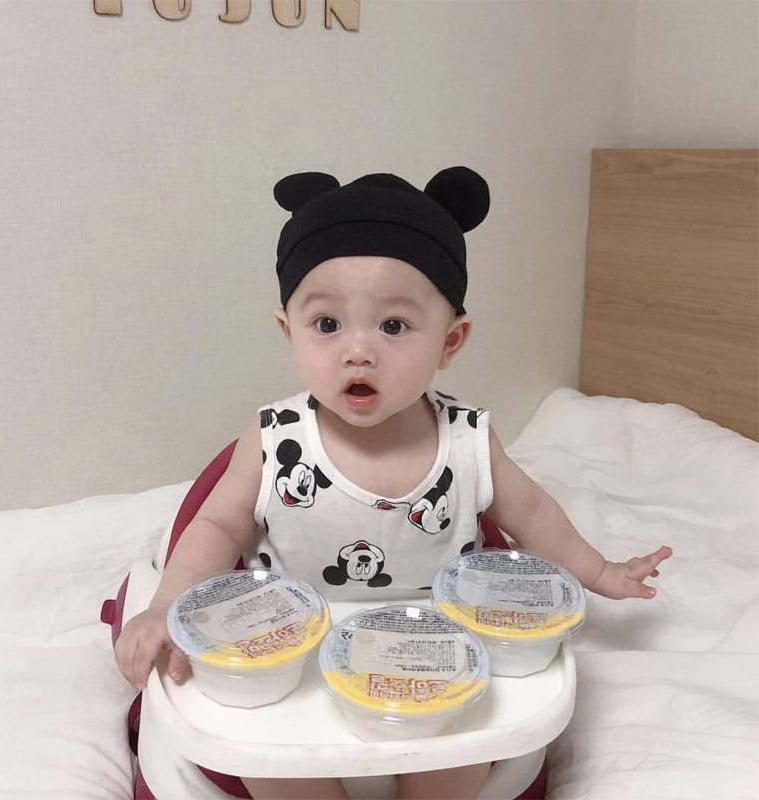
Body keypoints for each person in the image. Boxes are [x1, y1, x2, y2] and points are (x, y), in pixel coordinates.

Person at [115, 166, 672, 800]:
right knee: (270, 755)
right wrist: (165, 606)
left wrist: (598, 571)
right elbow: (216, 526)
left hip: (428, 653)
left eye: (394, 326)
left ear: (450, 341)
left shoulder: (466, 441)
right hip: (293, 653)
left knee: (461, 751)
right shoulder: (275, 439)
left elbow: (534, 514)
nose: (358, 351)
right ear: (289, 332)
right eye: (327, 325)